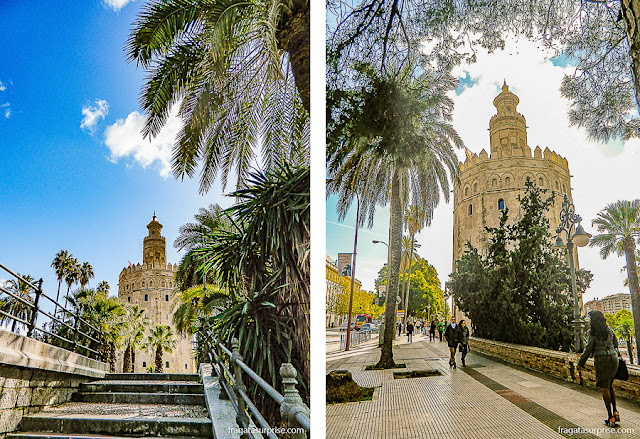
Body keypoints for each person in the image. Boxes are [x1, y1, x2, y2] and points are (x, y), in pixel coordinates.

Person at [577, 310, 621, 427]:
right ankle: (616, 412)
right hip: (613, 358)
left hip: (602, 360)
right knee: (610, 385)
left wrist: (580, 363)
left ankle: (610, 416)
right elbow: (616, 344)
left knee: (604, 388)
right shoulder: (609, 329)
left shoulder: (592, 332)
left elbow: (588, 349)